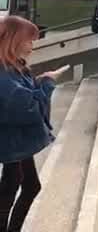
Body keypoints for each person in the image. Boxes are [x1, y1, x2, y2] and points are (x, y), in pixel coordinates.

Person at [0, 16, 66, 232]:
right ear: (15, 40)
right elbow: (28, 108)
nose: (32, 46)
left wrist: (40, 80)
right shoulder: (4, 73)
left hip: (16, 139)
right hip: (12, 140)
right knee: (13, 187)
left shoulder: (13, 67)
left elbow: (23, 97)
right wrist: (47, 83)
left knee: (26, 185)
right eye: (29, 40)